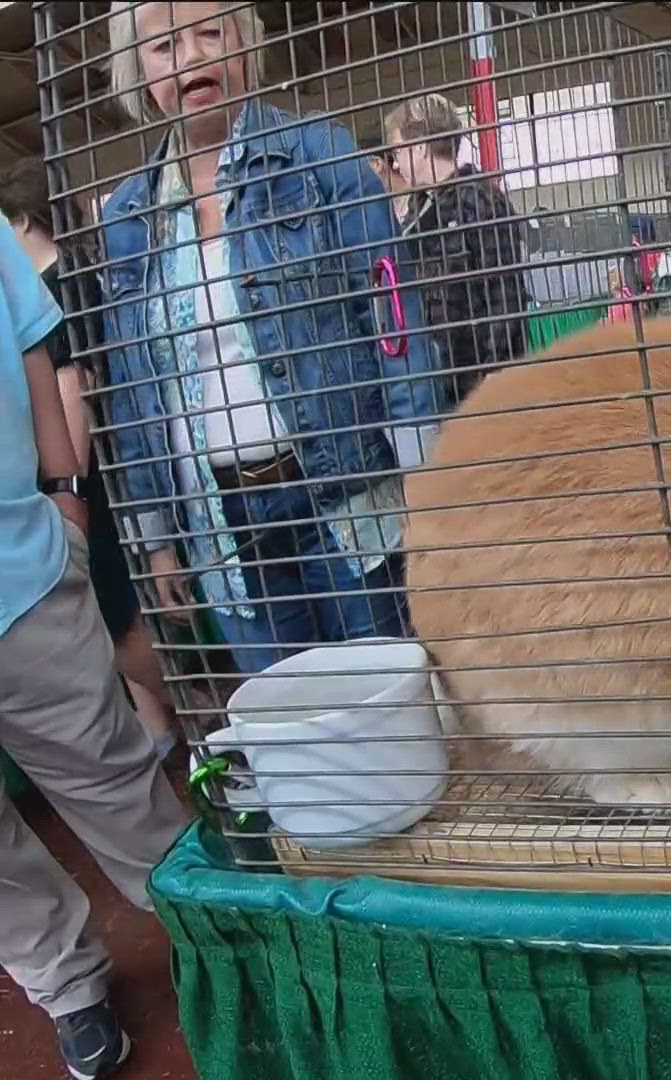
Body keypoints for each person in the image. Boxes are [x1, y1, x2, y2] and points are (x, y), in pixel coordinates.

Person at [97, 1, 445, 676]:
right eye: (164, 47)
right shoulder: (126, 218)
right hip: (221, 521)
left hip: (344, 493)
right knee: (287, 714)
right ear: (138, 73)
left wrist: (424, 481)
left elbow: (394, 324)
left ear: (245, 45)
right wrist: (158, 540)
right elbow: (133, 391)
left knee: (388, 695)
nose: (192, 57)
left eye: (209, 34)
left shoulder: (319, 156)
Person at [1, 215, 190, 1077]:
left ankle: (209, 925)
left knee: (112, 773)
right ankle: (64, 984)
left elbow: (37, 345)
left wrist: (64, 492)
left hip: (18, 571)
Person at [0, 161, 179, 757]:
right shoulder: (61, 279)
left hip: (90, 486)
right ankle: (168, 727)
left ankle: (195, 707)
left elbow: (74, 387)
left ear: (20, 219)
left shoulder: (59, 283)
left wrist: (67, 492)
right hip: (77, 485)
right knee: (113, 620)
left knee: (116, 620)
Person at [383, 93, 530, 401]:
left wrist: (494, 370)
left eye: (398, 150)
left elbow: (505, 291)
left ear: (420, 147)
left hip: (480, 378)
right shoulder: (420, 207)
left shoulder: (479, 199)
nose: (395, 163)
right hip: (440, 375)